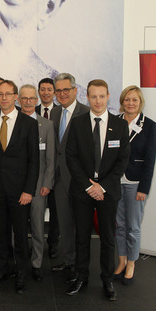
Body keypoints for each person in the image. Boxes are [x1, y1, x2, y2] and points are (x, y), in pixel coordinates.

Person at [65, 80, 130, 301]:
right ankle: (81, 277)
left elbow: (122, 162)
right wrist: (88, 185)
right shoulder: (77, 123)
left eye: (102, 96)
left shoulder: (120, 126)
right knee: (81, 237)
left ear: (108, 96)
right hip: (82, 191)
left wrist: (102, 187)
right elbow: (70, 157)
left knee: (107, 239)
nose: (98, 101)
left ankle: (107, 279)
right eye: (93, 96)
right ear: (87, 97)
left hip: (108, 192)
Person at [0, 80, 39, 294]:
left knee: (21, 234)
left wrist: (28, 190)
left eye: (8, 94)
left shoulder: (29, 124)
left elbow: (34, 161)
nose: (3, 97)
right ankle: (1, 270)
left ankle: (21, 273)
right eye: (0, 94)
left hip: (19, 191)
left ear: (16, 96)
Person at [113, 85, 156, 285]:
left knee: (133, 227)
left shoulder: (150, 125)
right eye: (127, 99)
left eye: (134, 100)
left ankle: (131, 263)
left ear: (140, 103)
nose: (130, 103)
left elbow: (150, 160)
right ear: (122, 101)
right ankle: (121, 261)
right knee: (120, 225)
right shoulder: (114, 122)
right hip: (115, 181)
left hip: (135, 182)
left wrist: (144, 189)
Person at [50, 73, 89, 274]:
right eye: (59, 90)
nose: (62, 94)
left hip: (79, 180)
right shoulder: (55, 113)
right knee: (64, 224)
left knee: (80, 226)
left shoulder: (87, 113)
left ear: (75, 90)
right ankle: (69, 261)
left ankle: (81, 267)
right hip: (59, 179)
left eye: (66, 90)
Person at [18, 85, 55, 282]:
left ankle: (37, 263)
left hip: (40, 185)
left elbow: (50, 159)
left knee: (38, 227)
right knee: (18, 227)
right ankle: (19, 261)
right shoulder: (13, 122)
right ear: (19, 100)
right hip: (17, 185)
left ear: (37, 100)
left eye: (32, 98)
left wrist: (47, 183)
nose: (28, 101)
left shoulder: (46, 125)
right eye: (24, 98)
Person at [35, 77, 58, 258]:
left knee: (56, 213)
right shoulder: (31, 112)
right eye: (42, 89)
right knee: (37, 216)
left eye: (49, 89)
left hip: (57, 172)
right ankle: (36, 248)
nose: (46, 92)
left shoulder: (60, 112)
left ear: (54, 92)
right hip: (38, 174)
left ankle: (54, 244)